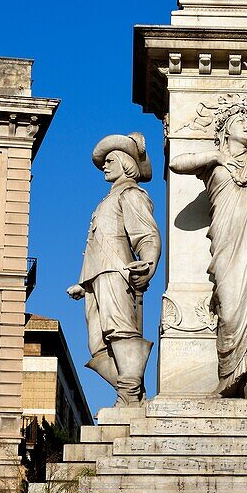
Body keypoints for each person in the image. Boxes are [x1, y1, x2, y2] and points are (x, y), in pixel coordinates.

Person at [170, 58, 247, 399]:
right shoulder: (213, 161)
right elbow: (178, 163)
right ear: (225, 129)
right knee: (231, 305)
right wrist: (215, 158)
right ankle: (232, 375)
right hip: (229, 244)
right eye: (242, 121)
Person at [68, 132, 161, 405]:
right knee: (98, 345)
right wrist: (83, 283)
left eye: (110, 161)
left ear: (125, 163)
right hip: (95, 279)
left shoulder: (132, 195)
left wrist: (148, 263)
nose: (105, 166)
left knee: (121, 332)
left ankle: (129, 394)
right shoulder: (107, 200)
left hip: (116, 273)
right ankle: (131, 391)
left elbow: (147, 235)